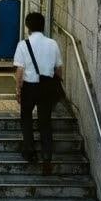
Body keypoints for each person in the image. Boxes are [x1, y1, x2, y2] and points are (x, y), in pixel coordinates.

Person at [14, 11, 63, 173]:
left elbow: (20, 70)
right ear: (43, 26)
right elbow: (59, 70)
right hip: (47, 86)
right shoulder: (53, 44)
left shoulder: (23, 44)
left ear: (28, 27)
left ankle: (30, 152)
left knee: (26, 117)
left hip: (30, 86)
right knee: (45, 122)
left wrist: (18, 89)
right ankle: (47, 157)